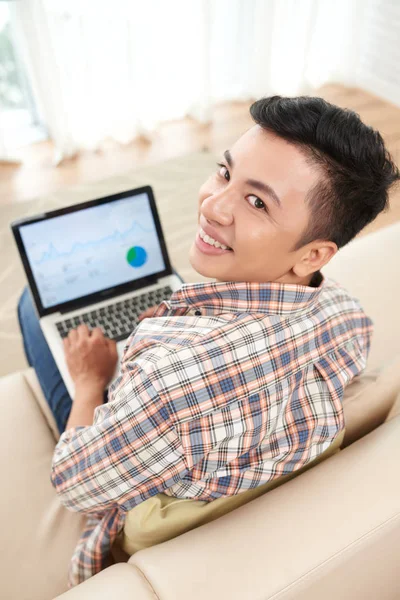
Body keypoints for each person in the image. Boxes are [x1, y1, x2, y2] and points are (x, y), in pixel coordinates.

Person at [17, 95, 400, 589]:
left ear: (314, 254)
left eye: (257, 202)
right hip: (215, 443)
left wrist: (91, 383)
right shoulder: (347, 316)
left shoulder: (166, 383)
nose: (213, 206)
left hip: (136, 490)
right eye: (224, 173)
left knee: (33, 306)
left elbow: (77, 486)